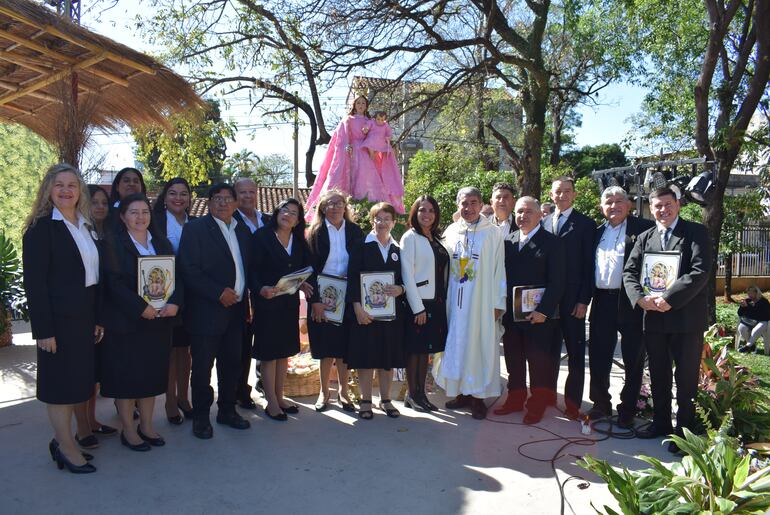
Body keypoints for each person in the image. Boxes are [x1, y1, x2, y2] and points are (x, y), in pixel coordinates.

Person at [23, 163, 103, 473]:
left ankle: (62, 441)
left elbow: (92, 277)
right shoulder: (41, 228)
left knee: (78, 385)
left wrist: (96, 318)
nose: (66, 190)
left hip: (84, 318)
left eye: (72, 184)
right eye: (60, 185)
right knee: (59, 387)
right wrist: (44, 331)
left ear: (80, 190)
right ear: (48, 189)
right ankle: (67, 448)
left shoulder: (86, 225)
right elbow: (35, 285)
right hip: (57, 322)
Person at [623, 187, 711, 453]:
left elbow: (700, 270)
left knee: (685, 380)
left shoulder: (696, 232)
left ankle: (684, 433)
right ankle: (660, 423)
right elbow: (630, 271)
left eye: (667, 204)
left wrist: (668, 298)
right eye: (657, 206)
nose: (663, 210)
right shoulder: (645, 237)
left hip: (685, 320)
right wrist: (640, 298)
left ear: (678, 205)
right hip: (654, 320)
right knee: (659, 376)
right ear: (651, 208)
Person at [100, 193, 183, 451]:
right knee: (127, 380)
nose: (140, 217)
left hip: (157, 324)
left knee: (150, 378)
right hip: (127, 324)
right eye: (133, 212)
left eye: (144, 211)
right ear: (123, 217)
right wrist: (140, 307)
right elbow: (113, 284)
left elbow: (178, 278)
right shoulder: (112, 244)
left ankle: (147, 425)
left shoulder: (162, 244)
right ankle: (129, 430)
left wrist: (175, 303)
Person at [178, 184, 253, 439]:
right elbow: (188, 269)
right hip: (206, 311)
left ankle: (227, 411)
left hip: (237, 311)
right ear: (209, 203)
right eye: (217, 199)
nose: (222, 203)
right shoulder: (195, 229)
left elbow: (248, 267)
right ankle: (200, 417)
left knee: (232, 363)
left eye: (227, 199)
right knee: (202, 367)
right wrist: (217, 292)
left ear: (235, 204)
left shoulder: (242, 230)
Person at [435, 187, 506, 420]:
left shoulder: (493, 233)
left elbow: (499, 270)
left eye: (474, 203)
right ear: (458, 204)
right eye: (464, 203)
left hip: (481, 304)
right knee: (457, 346)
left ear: (481, 204)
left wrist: (498, 303)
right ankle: (461, 393)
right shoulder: (452, 231)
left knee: (479, 347)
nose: (469, 208)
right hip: (455, 304)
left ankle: (478, 398)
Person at [587, 186, 654, 426]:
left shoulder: (645, 229)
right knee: (598, 354)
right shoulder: (595, 232)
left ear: (629, 204)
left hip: (632, 302)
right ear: (601, 207)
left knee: (633, 357)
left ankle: (628, 408)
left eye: (619, 201)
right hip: (602, 301)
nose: (614, 205)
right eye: (608, 201)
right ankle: (600, 403)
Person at [495, 197, 564, 424]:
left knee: (538, 363)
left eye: (529, 212)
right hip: (513, 315)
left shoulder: (552, 243)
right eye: (519, 212)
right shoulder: (508, 241)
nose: (523, 216)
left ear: (540, 215)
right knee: (514, 360)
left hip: (539, 317)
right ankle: (515, 400)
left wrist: (543, 311)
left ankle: (537, 405)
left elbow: (558, 282)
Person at [250, 198, 313, 421]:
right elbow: (252, 270)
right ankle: (271, 402)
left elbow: (306, 266)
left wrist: (303, 281)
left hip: (289, 303)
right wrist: (260, 289)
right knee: (269, 354)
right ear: (277, 212)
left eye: (294, 213)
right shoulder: (261, 237)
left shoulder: (298, 240)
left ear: (298, 221)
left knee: (283, 352)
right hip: (267, 303)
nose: (288, 214)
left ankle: (280, 395)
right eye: (285, 209)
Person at [346, 202, 407, 420]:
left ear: (393, 222)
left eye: (386, 219)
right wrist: (357, 308)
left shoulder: (398, 249)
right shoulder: (360, 245)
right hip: (366, 313)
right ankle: (365, 400)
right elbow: (352, 278)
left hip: (391, 314)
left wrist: (401, 289)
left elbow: (405, 279)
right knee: (366, 357)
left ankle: (386, 399)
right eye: (378, 219)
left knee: (387, 358)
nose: (382, 223)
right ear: (372, 221)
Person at [542, 176, 595, 419]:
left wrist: (584, 300)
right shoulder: (542, 222)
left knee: (575, 355)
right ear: (551, 195)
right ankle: (547, 398)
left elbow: (588, 265)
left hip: (574, 301)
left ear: (574, 194)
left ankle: (573, 404)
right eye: (557, 192)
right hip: (548, 301)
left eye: (567, 191)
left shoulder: (585, 224)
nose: (562, 195)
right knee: (548, 353)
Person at [306, 190, 363, 412]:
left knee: (344, 347)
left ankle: (343, 392)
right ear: (322, 208)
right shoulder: (314, 233)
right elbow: (309, 268)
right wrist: (315, 301)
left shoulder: (355, 231)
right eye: (330, 204)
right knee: (324, 346)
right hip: (324, 296)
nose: (335, 207)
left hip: (348, 296)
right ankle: (324, 392)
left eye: (339, 203)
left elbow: (361, 264)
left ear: (345, 207)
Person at [73, 185, 116, 442]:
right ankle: (82, 428)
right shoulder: (79, 234)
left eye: (104, 202)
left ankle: (92, 420)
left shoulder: (110, 234)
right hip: (85, 313)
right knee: (83, 374)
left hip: (107, 314)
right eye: (94, 202)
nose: (99, 207)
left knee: (96, 375)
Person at [400, 195, 449, 412]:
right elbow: (407, 275)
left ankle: (421, 394)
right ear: (415, 213)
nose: (426, 214)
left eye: (430, 210)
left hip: (437, 301)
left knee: (425, 351)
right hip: (420, 303)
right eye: (422, 210)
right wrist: (417, 307)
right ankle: (413, 394)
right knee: (415, 350)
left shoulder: (436, 238)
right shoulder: (410, 238)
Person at [152, 178, 195, 424]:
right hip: (166, 295)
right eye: (173, 193)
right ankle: (169, 401)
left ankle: (183, 397)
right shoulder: (155, 223)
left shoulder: (197, 224)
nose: (178, 198)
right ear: (165, 197)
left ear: (189, 198)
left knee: (185, 351)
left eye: (183, 193)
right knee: (169, 350)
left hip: (193, 296)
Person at [231, 178, 271, 410]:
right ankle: (240, 390)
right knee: (243, 344)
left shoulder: (266, 219)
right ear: (235, 194)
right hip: (242, 290)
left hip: (266, 290)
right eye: (242, 192)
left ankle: (264, 384)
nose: (247, 196)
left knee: (265, 340)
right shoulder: (231, 220)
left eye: (251, 191)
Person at [305, 96, 376, 220]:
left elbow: (375, 135)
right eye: (358, 103)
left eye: (363, 103)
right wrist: (346, 147)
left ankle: (364, 207)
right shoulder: (348, 119)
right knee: (346, 178)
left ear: (366, 105)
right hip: (351, 153)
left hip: (365, 154)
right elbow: (341, 137)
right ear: (354, 105)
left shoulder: (370, 121)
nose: (360, 105)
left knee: (365, 180)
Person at [360, 110, 405, 213]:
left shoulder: (385, 125)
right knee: (371, 142)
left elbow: (389, 132)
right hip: (372, 138)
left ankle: (375, 152)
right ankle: (372, 152)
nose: (380, 121)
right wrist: (365, 129)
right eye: (378, 119)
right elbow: (366, 126)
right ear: (375, 118)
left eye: (382, 119)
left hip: (380, 142)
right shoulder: (372, 122)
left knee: (381, 148)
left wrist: (388, 137)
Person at [737, 285, 770, 354]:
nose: (749, 295)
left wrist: (747, 307)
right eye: (748, 293)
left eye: (751, 293)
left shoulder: (764, 302)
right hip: (749, 322)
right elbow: (739, 314)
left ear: (756, 293)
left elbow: (760, 315)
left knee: (755, 330)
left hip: (763, 321)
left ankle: (748, 346)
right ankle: (752, 346)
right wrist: (742, 307)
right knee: (741, 328)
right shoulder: (747, 301)